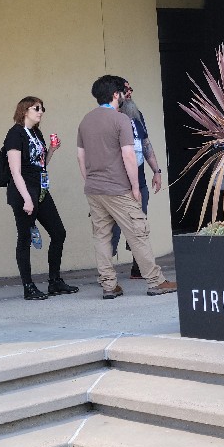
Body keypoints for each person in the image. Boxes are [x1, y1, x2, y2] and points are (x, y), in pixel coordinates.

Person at [77, 75, 176, 298]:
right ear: (115, 95)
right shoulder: (120, 119)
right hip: (119, 189)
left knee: (102, 237)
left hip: (94, 190)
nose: (125, 95)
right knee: (138, 233)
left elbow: (80, 157)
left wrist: (89, 181)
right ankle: (156, 281)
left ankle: (109, 285)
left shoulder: (86, 121)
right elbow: (129, 155)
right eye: (122, 92)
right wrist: (135, 188)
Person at [1, 97, 77, 302]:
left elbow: (40, 165)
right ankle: (28, 286)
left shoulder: (36, 133)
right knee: (25, 238)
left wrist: (51, 150)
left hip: (41, 189)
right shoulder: (15, 134)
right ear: (25, 110)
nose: (41, 112)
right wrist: (27, 198)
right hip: (23, 191)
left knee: (58, 232)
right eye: (37, 108)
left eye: (42, 108)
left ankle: (55, 281)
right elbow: (15, 171)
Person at [114, 80, 164, 280]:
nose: (130, 92)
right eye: (126, 89)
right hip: (117, 184)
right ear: (116, 93)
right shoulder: (110, 118)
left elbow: (145, 144)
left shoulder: (136, 115)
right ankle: (107, 275)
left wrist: (157, 171)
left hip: (140, 181)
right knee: (113, 228)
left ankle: (138, 267)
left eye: (131, 88)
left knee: (140, 224)